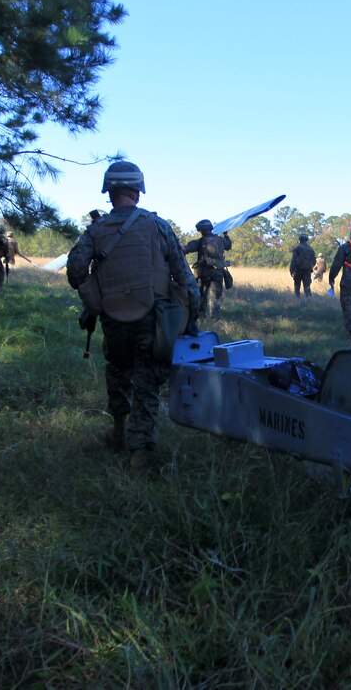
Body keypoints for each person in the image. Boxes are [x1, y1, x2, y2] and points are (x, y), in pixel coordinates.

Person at [66, 161, 200, 473]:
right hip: (152, 318)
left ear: (109, 192)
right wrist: (191, 317)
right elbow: (184, 277)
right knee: (147, 383)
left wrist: (97, 295)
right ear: (137, 192)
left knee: (117, 372)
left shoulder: (96, 230)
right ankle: (139, 455)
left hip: (114, 318)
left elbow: (75, 271)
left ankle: (117, 433)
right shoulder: (158, 226)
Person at [185, 219, 232, 319]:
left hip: (203, 273)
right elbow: (228, 246)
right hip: (218, 272)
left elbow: (186, 249)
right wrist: (226, 234)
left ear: (201, 230)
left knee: (201, 295)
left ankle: (201, 316)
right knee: (215, 297)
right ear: (211, 229)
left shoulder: (200, 241)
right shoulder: (220, 240)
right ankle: (215, 319)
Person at [289, 233, 317, 301]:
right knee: (307, 286)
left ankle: (297, 300)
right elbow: (314, 262)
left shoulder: (297, 248)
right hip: (307, 271)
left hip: (298, 270)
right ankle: (309, 300)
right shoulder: (311, 250)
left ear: (300, 239)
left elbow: (293, 260)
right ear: (306, 240)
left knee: (297, 286)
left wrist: (291, 270)